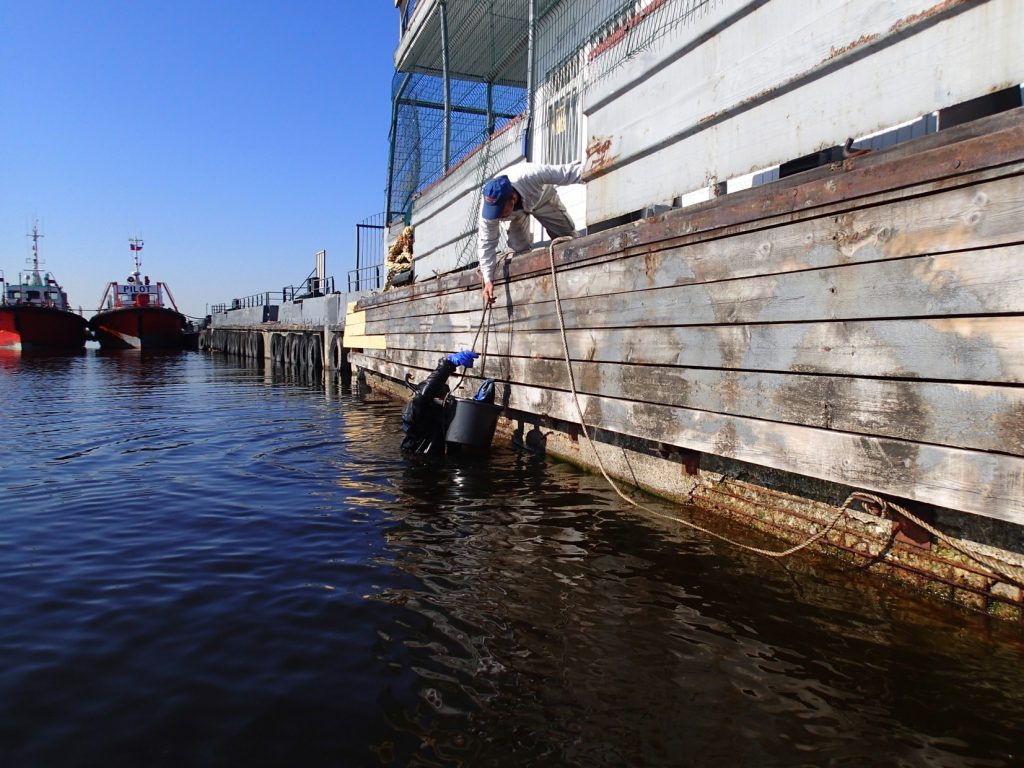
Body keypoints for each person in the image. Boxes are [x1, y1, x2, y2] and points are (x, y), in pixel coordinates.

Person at [477, 161, 583, 304]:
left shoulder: (530, 174)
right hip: (515, 215)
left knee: (569, 238)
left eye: (500, 213)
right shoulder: (489, 212)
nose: (497, 218)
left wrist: (597, 170)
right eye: (494, 214)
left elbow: (567, 172)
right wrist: (488, 280)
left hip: (543, 199)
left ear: (513, 199)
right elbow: (486, 244)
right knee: (519, 247)